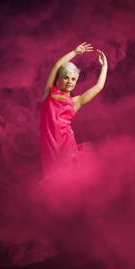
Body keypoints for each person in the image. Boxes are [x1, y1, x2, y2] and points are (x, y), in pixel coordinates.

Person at [39, 42, 108, 178]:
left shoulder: (75, 102)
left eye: (73, 79)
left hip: (66, 146)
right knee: (53, 180)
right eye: (66, 77)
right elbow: (56, 66)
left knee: (66, 178)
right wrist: (75, 52)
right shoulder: (49, 93)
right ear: (59, 79)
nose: (70, 81)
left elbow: (99, 86)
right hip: (50, 147)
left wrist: (104, 66)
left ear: (76, 82)